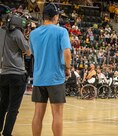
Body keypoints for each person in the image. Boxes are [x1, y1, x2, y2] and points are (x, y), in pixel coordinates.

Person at [29, 3, 72, 136]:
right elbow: (67, 52)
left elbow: (32, 53)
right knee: (57, 115)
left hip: (39, 78)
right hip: (55, 78)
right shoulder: (61, 31)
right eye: (58, 15)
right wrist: (68, 68)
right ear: (55, 16)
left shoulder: (33, 33)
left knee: (38, 113)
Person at [0, 15, 29, 136]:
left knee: (2, 105)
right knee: (13, 108)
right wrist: (26, 37)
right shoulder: (17, 33)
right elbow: (27, 50)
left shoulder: (2, 33)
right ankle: (7, 133)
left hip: (4, 73)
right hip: (17, 74)